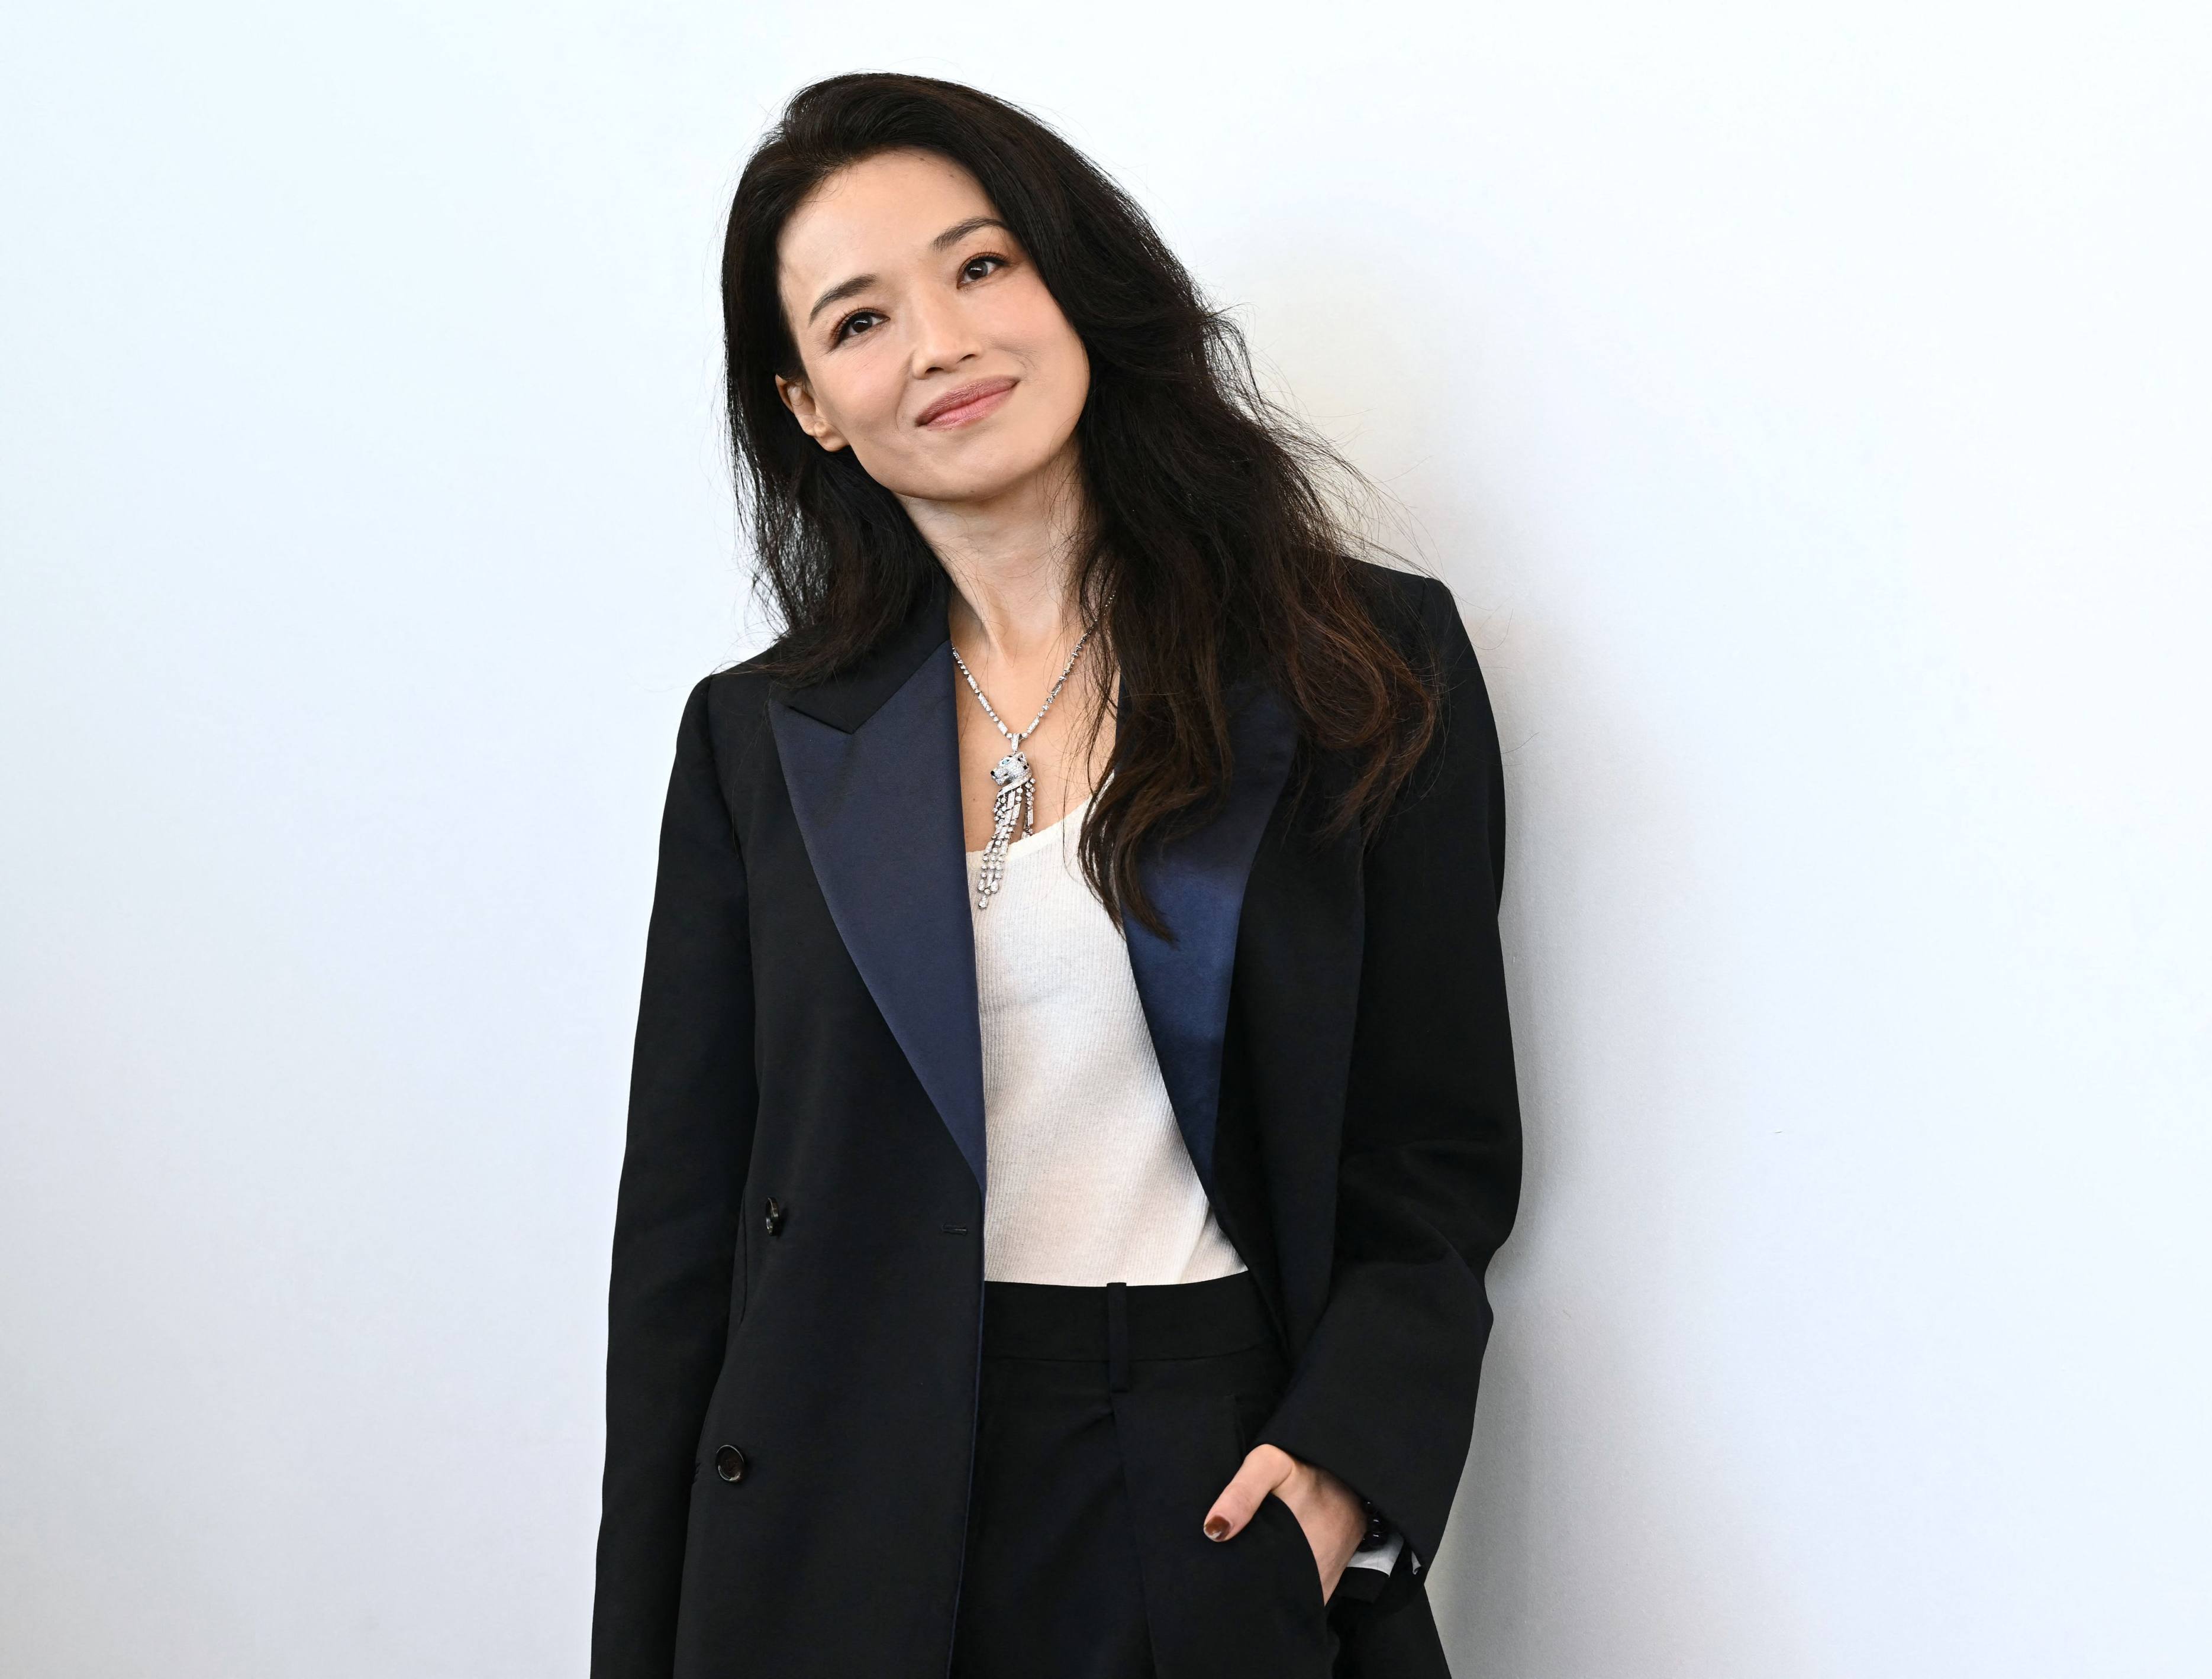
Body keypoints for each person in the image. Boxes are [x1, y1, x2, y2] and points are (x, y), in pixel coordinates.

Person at [592, 72, 1520, 1679]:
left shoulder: (1359, 664)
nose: (942, 344)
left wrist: (1345, 1471)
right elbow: (681, 1254)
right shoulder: (759, 742)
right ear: (809, 399)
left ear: (1072, 281)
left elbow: (1432, 1161)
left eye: (979, 267)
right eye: (861, 319)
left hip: (1200, 1473)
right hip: (833, 1504)